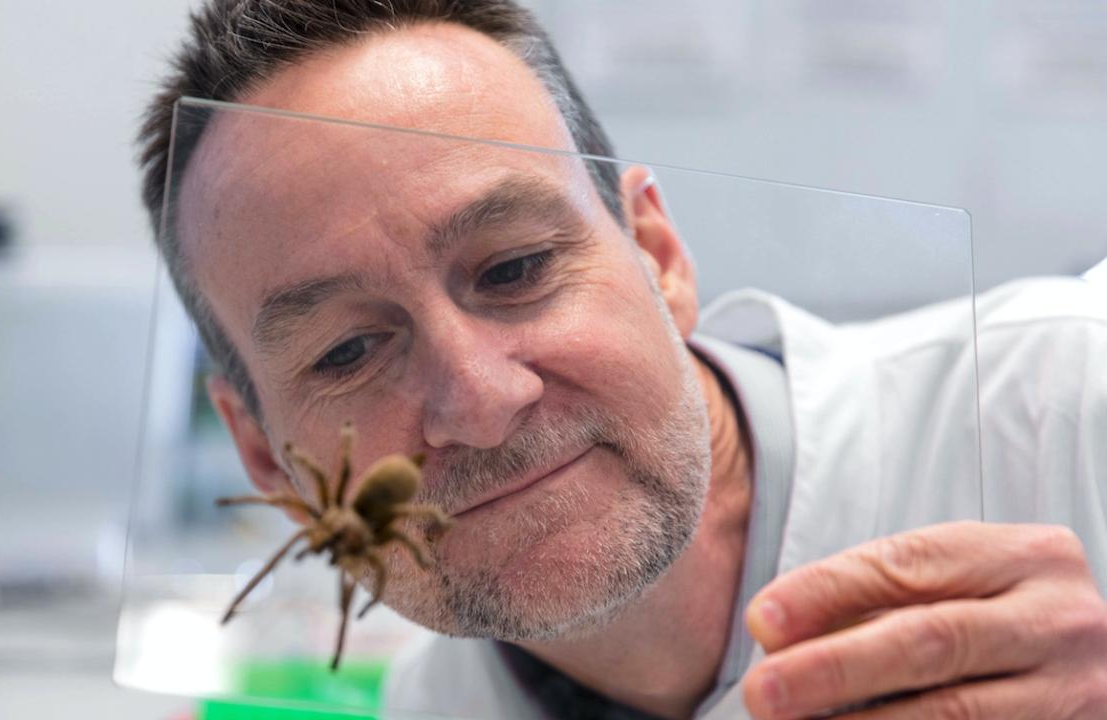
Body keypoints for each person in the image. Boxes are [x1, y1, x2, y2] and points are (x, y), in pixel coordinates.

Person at [136, 1, 1107, 717]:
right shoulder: (429, 709)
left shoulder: (1067, 405)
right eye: (347, 351)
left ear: (657, 255)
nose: (476, 400)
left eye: (513, 269)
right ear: (267, 462)